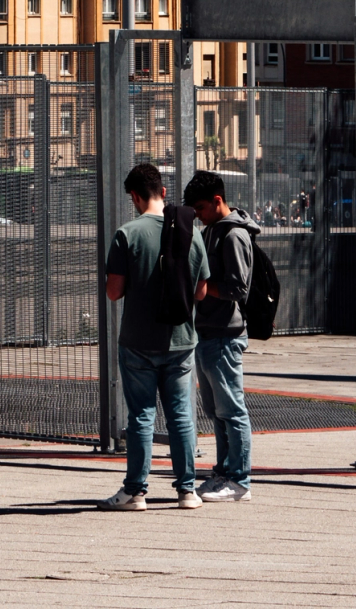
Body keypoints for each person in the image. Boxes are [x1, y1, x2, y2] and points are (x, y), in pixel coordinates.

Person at [100, 161, 209, 511]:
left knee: (142, 416)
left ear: (134, 196)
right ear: (163, 191)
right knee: (181, 416)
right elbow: (202, 291)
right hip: (181, 339)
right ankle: (187, 491)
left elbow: (114, 292)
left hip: (138, 341)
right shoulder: (191, 232)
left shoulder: (127, 234)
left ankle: (135, 492)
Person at [183, 168, 255, 502]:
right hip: (210, 332)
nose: (198, 215)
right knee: (218, 411)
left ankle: (239, 480)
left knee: (231, 410)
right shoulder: (212, 230)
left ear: (216, 200)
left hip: (225, 333)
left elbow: (239, 288)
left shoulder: (233, 235)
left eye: (200, 208)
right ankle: (225, 473)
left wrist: (202, 286)